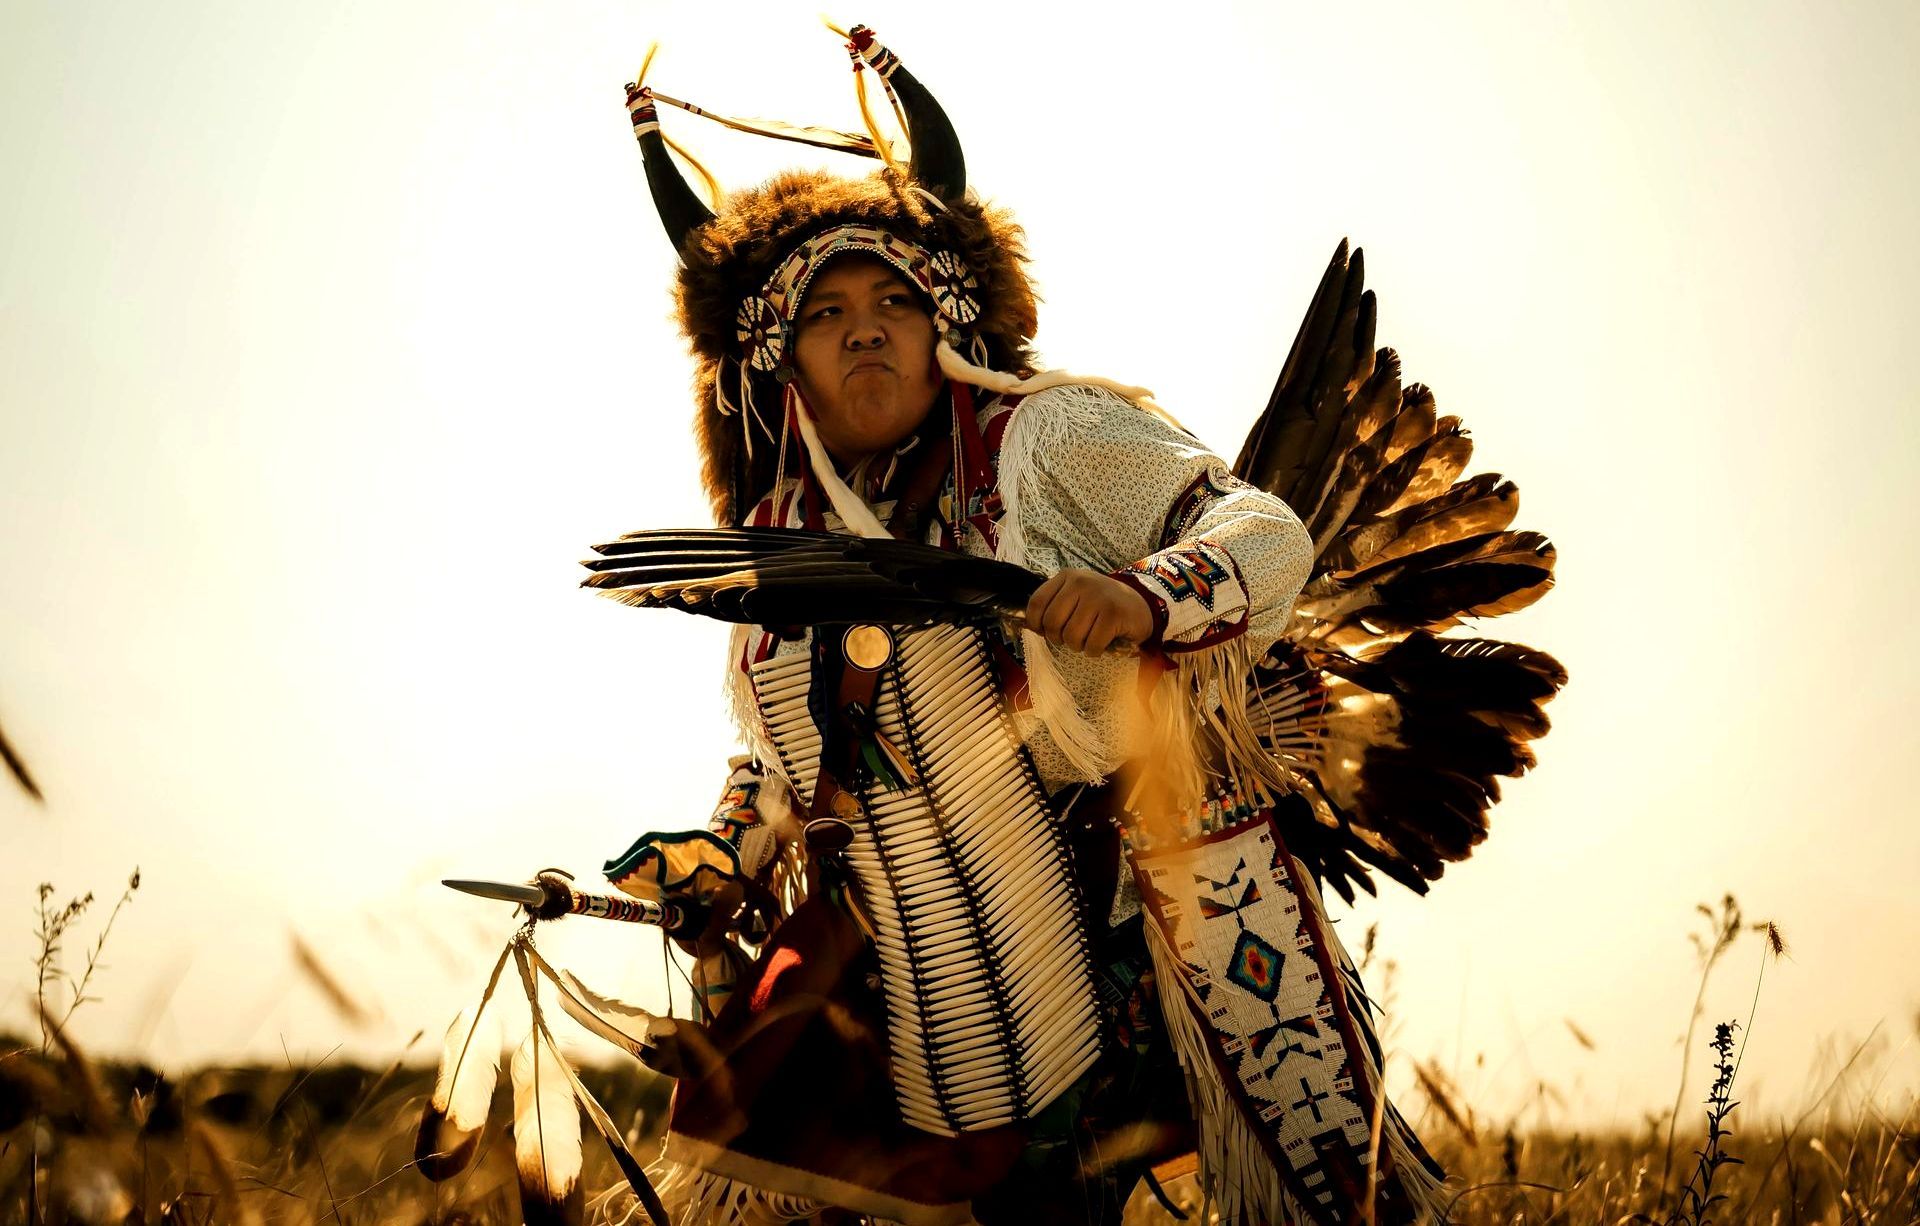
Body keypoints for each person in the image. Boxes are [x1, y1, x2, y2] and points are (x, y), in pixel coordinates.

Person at [585, 23, 1565, 1226]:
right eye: (827, 311)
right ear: (774, 360)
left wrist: (1145, 595)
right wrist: (726, 847)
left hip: (1125, 920)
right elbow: (794, 755)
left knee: (1318, 1188)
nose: (868, 327)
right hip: (906, 998)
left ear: (949, 321)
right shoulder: (778, 544)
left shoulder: (1044, 439)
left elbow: (1263, 530)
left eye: (898, 297)